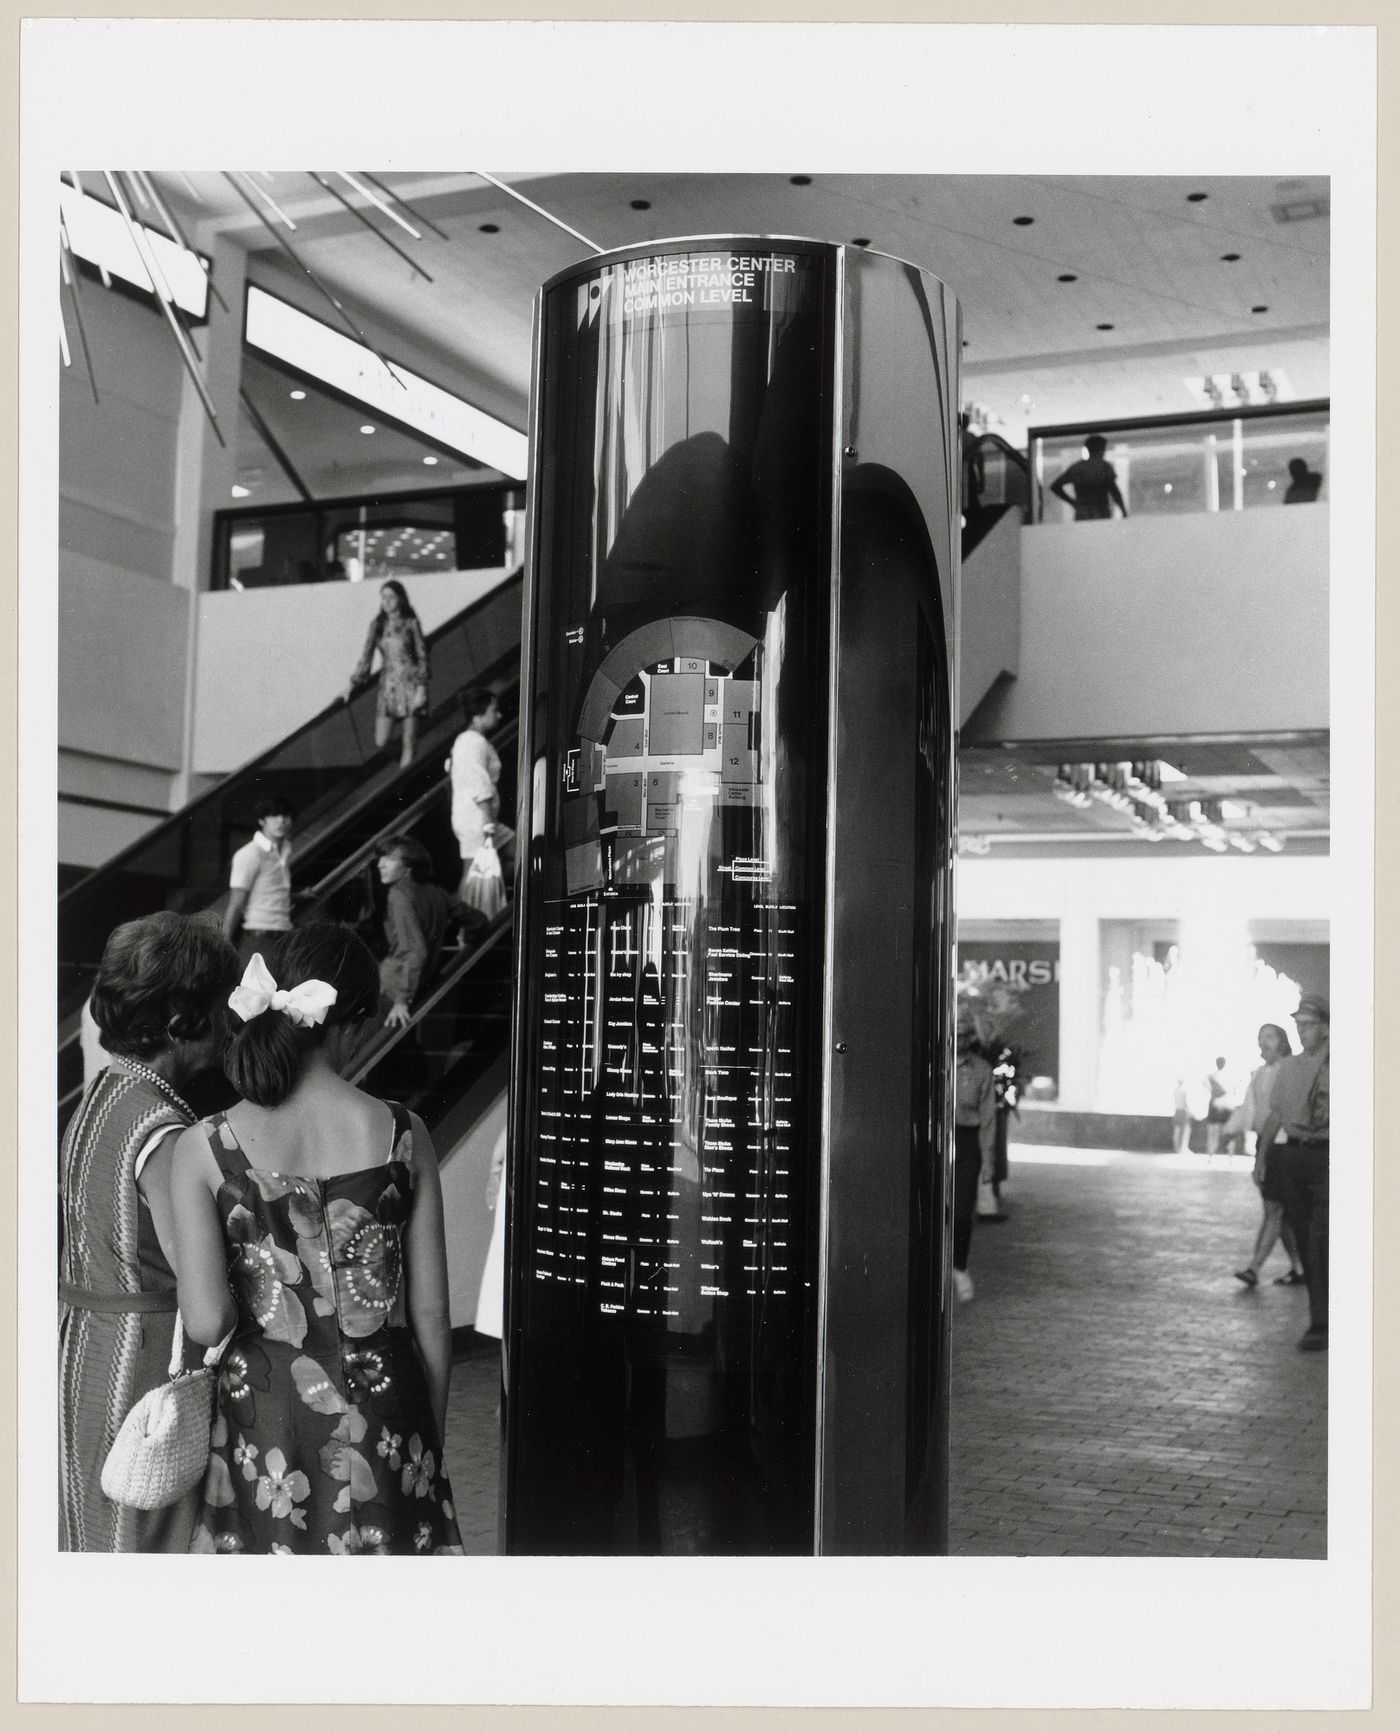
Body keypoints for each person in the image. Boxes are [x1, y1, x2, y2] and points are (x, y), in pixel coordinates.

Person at [171, 921, 463, 1553]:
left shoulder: (205, 1147)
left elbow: (206, 1319)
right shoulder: (403, 1134)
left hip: (266, 1413)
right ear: (353, 1020)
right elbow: (433, 1315)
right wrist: (425, 1436)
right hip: (388, 1404)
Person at [58, 912, 240, 1551]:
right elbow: (207, 1315)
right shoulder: (164, 1133)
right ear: (182, 1016)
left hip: (88, 1355)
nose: (230, 1017)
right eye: (221, 1001)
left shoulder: (103, 1097)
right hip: (143, 1381)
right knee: (146, 1542)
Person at [1256, 995, 1330, 1351]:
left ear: (1326, 1027)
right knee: (1306, 1239)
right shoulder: (1291, 1067)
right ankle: (1320, 1319)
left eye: (1309, 1024)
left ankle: (1324, 1321)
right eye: (1298, 1024)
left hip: (1329, 1155)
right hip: (1295, 1155)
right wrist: (1263, 1156)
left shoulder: (1342, 1062)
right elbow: (1277, 1116)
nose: (1302, 1031)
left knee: (1319, 1238)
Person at [377, 834, 477, 1032]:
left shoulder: (399, 894)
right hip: (422, 984)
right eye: (380, 858)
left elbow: (416, 950)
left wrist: (402, 1000)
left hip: (395, 990)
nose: (380, 864)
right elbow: (478, 920)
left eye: (388, 858)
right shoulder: (436, 892)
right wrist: (472, 940)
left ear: (409, 866)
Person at [1232, 1023, 1305, 1289]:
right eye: (1260, 1037)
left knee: (1274, 1210)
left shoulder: (1289, 1070)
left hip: (1282, 1145)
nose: (1264, 1042)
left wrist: (1262, 1157)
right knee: (1281, 1214)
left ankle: (1254, 1268)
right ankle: (1300, 1268)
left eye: (1270, 1037)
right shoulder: (1262, 1072)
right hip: (1267, 1142)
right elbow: (1253, 1111)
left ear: (1283, 1042)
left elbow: (1278, 1115)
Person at [346, 579, 429, 769]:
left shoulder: (411, 623)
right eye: (383, 597)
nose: (387, 601)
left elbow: (422, 655)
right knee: (381, 740)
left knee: (409, 742)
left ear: (400, 599)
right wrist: (352, 684)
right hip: (388, 688)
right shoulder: (377, 625)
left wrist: (422, 688)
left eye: (391, 597)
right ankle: (408, 766)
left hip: (411, 684)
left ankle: (404, 784)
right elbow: (366, 657)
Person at [447, 687, 515, 895]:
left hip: (480, 817)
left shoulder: (468, 742)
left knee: (518, 849)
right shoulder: (472, 743)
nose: (499, 715)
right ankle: (464, 923)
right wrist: (486, 820)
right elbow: (478, 781)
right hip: (478, 818)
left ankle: (485, 904)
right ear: (479, 714)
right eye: (494, 710)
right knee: (472, 872)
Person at [952, 1006, 997, 1303]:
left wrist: (988, 1165)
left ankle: (959, 1267)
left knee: (962, 1209)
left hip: (967, 1141)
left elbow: (989, 1120)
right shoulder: (934, 1063)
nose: (960, 1038)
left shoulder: (982, 1071)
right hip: (937, 1140)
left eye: (965, 1032)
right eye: (955, 1032)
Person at [224, 793, 295, 965]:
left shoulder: (286, 849)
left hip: (285, 936)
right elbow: (236, 903)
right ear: (262, 820)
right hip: (260, 939)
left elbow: (269, 891)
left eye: (285, 816)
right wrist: (223, 945)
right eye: (274, 816)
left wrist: (300, 895)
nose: (281, 821)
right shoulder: (250, 853)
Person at [1048, 434, 1128, 521]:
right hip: (1101, 512)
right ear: (1102, 449)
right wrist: (1123, 510)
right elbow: (1114, 491)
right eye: (1103, 448)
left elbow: (1055, 486)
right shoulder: (1104, 467)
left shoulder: (1077, 467)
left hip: (1083, 513)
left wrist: (1073, 503)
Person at [1204, 1055, 1233, 1157]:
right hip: (1226, 1105)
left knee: (1212, 1132)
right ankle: (1229, 1157)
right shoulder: (1228, 1076)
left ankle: (1211, 1155)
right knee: (1227, 1131)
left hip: (1215, 1104)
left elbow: (1205, 1083)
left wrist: (1212, 1091)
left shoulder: (1211, 1076)